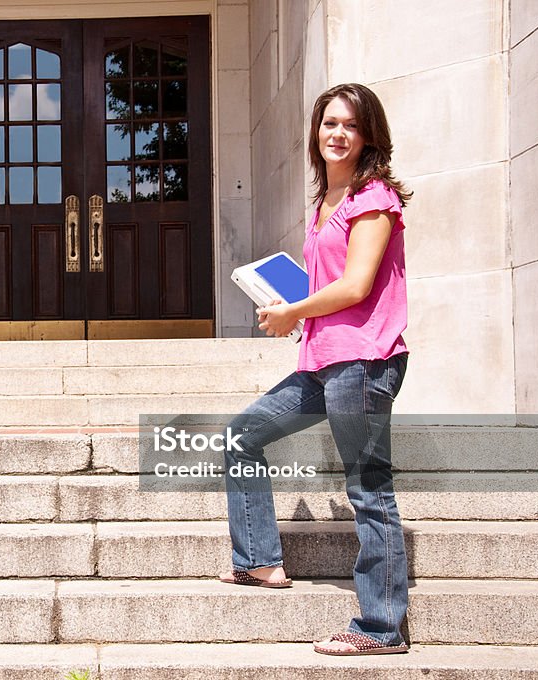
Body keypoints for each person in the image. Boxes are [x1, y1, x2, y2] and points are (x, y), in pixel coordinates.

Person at [217, 82, 413, 656]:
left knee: (368, 490)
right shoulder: (326, 202)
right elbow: (329, 287)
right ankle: (258, 560)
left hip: (365, 360)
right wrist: (292, 308)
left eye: (351, 125)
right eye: (329, 123)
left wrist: (293, 310)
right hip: (323, 359)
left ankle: (380, 628)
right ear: (316, 132)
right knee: (242, 436)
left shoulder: (372, 198)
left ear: (368, 136)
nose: (338, 133)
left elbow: (355, 286)